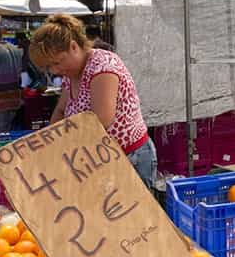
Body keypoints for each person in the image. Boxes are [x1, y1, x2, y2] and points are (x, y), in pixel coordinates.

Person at [29, 13, 156, 186]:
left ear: (73, 47)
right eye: (49, 66)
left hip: (129, 158)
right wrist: (50, 143)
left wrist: (65, 151)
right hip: (97, 160)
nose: (54, 70)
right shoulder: (71, 72)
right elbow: (60, 111)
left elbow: (100, 120)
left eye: (57, 62)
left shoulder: (103, 67)